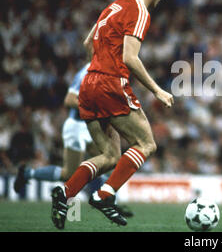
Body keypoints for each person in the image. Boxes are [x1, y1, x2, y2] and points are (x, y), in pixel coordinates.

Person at [51, 0, 174, 229]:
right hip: (110, 84)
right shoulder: (140, 11)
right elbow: (130, 58)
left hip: (89, 84)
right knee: (146, 144)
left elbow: (87, 43)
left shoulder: (113, 6)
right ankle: (105, 194)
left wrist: (99, 68)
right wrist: (157, 90)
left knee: (109, 155)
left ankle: (65, 192)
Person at [14, 63, 133, 217]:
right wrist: (97, 109)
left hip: (92, 126)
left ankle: (108, 201)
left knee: (109, 160)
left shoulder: (110, 70)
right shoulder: (88, 71)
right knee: (69, 173)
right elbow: (69, 100)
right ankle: (27, 174)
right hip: (77, 127)